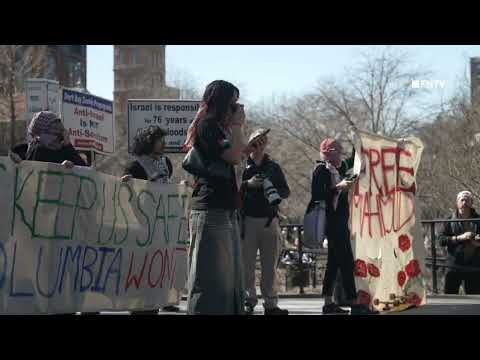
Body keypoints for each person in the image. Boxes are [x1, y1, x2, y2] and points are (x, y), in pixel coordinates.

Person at [184, 80, 249, 315]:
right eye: (233, 104)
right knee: (210, 276)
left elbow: (239, 154)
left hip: (227, 206)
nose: (237, 108)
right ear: (222, 103)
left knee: (229, 276)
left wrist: (237, 128)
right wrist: (238, 124)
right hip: (210, 209)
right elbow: (232, 156)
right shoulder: (208, 125)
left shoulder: (223, 128)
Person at [306, 138, 376, 314]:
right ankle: (354, 302)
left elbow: (353, 161)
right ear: (329, 153)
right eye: (337, 151)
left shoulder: (341, 167)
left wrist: (357, 143)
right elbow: (317, 194)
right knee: (345, 261)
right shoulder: (321, 170)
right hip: (331, 221)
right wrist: (338, 187)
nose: (340, 155)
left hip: (341, 220)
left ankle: (328, 303)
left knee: (334, 263)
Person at [121, 125, 179, 313]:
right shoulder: (135, 166)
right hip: (141, 229)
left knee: (156, 275)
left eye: (163, 140)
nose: (164, 144)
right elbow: (128, 197)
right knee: (141, 277)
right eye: (159, 140)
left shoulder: (166, 164)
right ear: (148, 142)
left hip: (161, 230)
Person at [240, 128, 290, 315]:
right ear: (250, 143)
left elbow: (285, 191)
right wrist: (249, 184)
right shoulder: (241, 165)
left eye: (263, 141)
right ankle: (248, 301)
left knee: (270, 266)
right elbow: (232, 187)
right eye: (256, 141)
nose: (259, 145)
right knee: (247, 265)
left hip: (270, 221)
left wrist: (271, 187)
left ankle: (270, 304)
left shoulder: (273, 167)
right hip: (248, 221)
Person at [9, 111, 86, 168]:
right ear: (40, 134)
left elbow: (85, 173)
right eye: (54, 129)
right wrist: (59, 168)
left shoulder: (62, 150)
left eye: (60, 129)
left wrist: (68, 146)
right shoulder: (40, 151)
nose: (58, 134)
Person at [438, 191, 480, 294]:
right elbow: (441, 240)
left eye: (467, 200)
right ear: (457, 203)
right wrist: (459, 238)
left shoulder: (478, 219)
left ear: (471, 203)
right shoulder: (449, 220)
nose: (464, 202)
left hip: (474, 266)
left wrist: (477, 242)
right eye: (462, 199)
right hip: (454, 265)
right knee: (450, 297)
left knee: (474, 300)